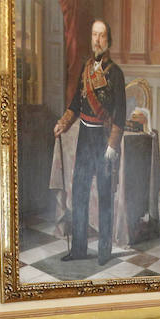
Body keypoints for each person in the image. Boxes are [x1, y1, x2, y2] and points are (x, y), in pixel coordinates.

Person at [52, 19, 125, 267]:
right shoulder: (85, 69)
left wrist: (112, 146)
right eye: (94, 35)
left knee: (105, 196)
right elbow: (75, 105)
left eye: (102, 36)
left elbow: (121, 114)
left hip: (103, 140)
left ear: (109, 40)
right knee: (79, 193)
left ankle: (104, 251)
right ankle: (80, 249)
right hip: (84, 137)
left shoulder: (116, 73)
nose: (97, 40)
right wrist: (64, 122)